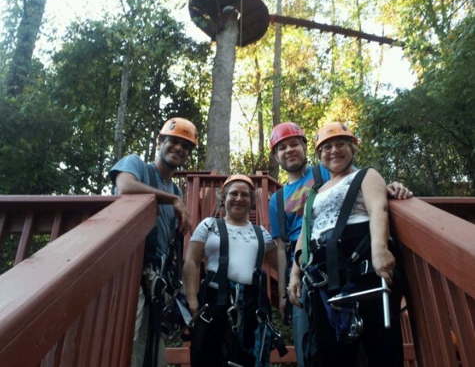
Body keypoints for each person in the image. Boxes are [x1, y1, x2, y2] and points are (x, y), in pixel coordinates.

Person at [268, 122, 412, 367]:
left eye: (294, 144)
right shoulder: (283, 198)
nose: (333, 151)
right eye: (282, 147)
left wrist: (380, 245)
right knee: (323, 347)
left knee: (377, 345)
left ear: (305, 148)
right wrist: (293, 275)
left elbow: (368, 197)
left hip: (356, 257)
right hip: (316, 270)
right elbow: (301, 233)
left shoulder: (330, 173)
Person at [109, 117, 198, 367]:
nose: (179, 149)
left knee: (152, 352)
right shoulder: (137, 165)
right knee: (128, 346)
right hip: (130, 275)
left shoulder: (176, 192)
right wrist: (171, 199)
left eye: (186, 146)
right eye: (174, 141)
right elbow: (125, 186)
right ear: (160, 141)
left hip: (156, 283)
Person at [183, 174, 279, 367]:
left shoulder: (262, 234)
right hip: (213, 300)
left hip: (252, 304)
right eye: (233, 194)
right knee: (208, 355)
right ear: (224, 198)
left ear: (251, 201)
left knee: (249, 359)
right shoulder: (209, 226)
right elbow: (191, 261)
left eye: (245, 195)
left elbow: (281, 264)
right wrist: (192, 300)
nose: (238, 198)